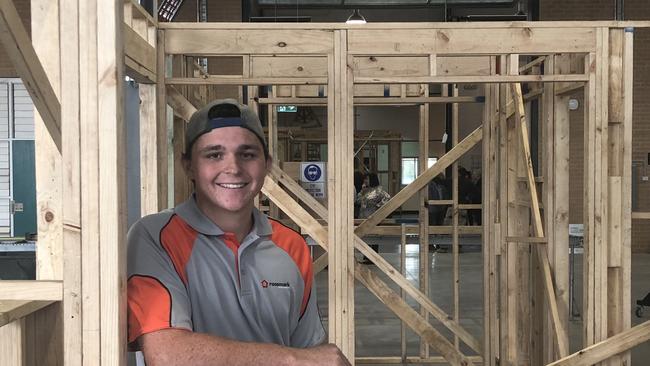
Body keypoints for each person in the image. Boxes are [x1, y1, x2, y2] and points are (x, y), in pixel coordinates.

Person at [127, 99, 350, 366]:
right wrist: (291, 359)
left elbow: (310, 350)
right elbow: (166, 354)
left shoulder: (291, 245)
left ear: (266, 165)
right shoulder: (156, 237)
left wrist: (305, 358)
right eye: (214, 154)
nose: (233, 168)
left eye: (247, 154)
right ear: (188, 166)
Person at [356, 173, 391, 264]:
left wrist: (378, 207)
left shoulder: (379, 191)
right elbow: (358, 200)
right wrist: (362, 191)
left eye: (367, 179)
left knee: (373, 237)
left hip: (373, 217)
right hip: (363, 217)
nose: (365, 181)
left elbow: (387, 198)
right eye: (365, 179)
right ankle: (366, 256)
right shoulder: (365, 190)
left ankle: (372, 257)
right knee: (365, 237)